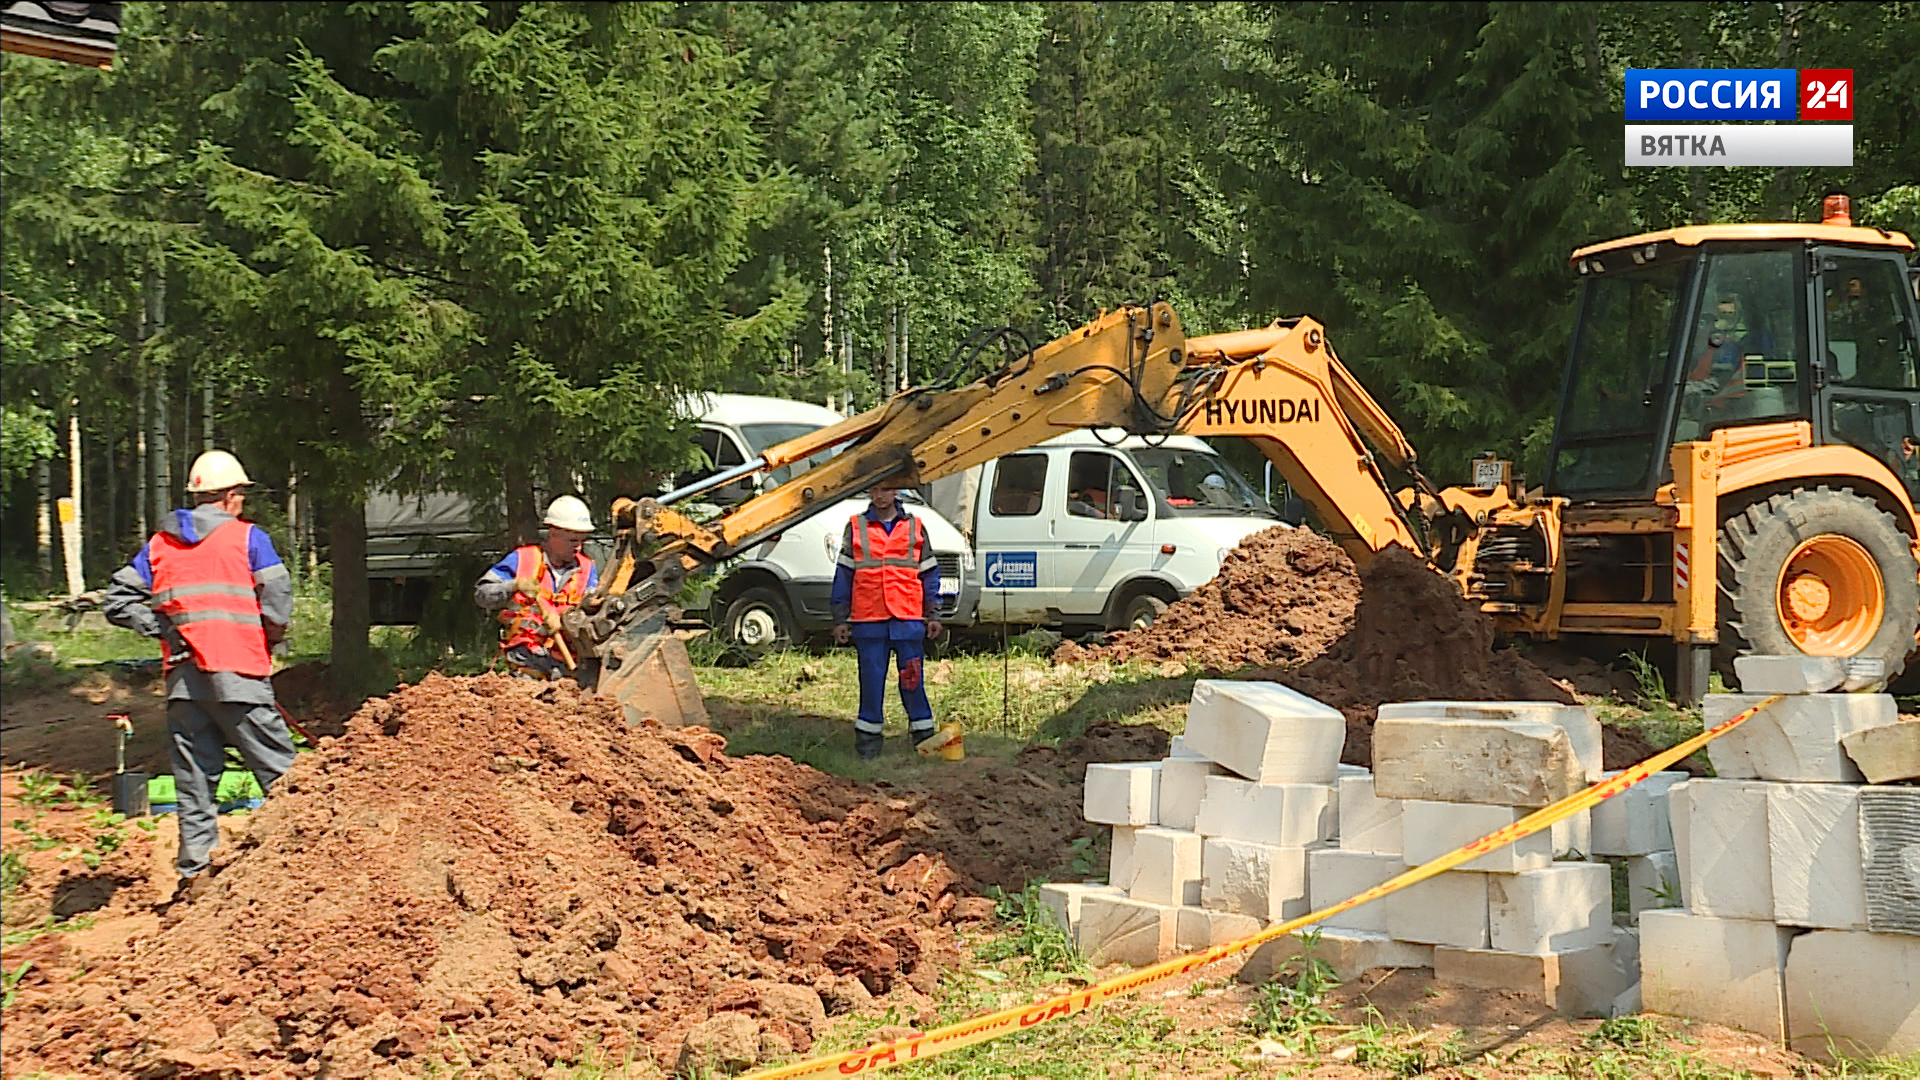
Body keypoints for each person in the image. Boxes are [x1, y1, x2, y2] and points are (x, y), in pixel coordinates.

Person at [103, 449, 296, 905]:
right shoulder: (249, 539)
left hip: (184, 684)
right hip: (240, 675)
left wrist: (163, 628)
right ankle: (301, 870)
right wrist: (269, 638)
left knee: (194, 784)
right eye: (240, 496)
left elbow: (117, 600)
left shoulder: (158, 545)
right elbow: (278, 600)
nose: (242, 504)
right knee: (286, 778)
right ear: (229, 497)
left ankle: (197, 879)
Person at [831, 479, 943, 760]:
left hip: (907, 617)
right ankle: (868, 743)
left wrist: (934, 614)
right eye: (875, 489)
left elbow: (929, 573)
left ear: (897, 490)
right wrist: (840, 618)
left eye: (886, 489)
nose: (880, 496)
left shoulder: (916, 526)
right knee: (871, 681)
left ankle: (923, 736)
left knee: (912, 679)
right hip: (869, 619)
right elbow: (844, 574)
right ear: (869, 491)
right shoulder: (856, 526)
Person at [474, 495, 599, 681]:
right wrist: (513, 585)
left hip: (567, 666)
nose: (579, 547)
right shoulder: (523, 559)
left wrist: (566, 621)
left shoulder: (587, 569)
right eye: (573, 541)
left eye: (582, 541)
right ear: (553, 532)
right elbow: (482, 595)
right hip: (525, 661)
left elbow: (594, 614)